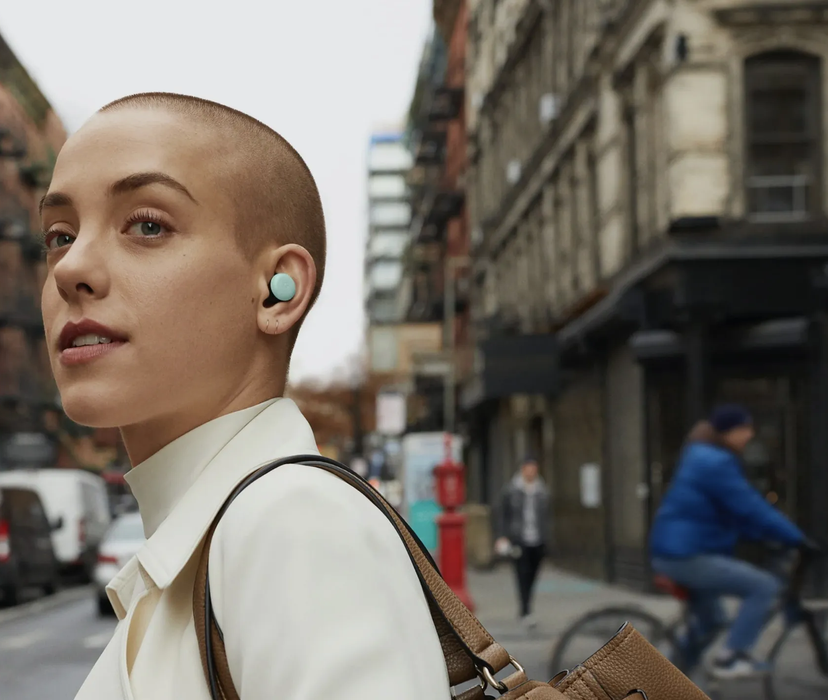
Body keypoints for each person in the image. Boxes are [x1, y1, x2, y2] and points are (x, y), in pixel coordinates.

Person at [45, 93, 451, 699]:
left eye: (147, 225)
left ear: (276, 292)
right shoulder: (206, 543)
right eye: (58, 234)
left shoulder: (291, 520)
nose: (69, 267)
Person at [650, 405, 810, 678]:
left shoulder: (703, 456)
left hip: (677, 550)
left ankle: (664, 680)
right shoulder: (715, 462)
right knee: (764, 586)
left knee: (713, 621)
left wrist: (764, 535)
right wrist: (796, 537)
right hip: (687, 555)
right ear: (729, 431)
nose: (750, 434)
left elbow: (734, 514)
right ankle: (730, 657)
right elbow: (750, 506)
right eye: (744, 429)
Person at [496, 456, 550, 630]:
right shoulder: (511, 490)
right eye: (528, 468)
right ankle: (526, 610)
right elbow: (502, 514)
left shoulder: (542, 490)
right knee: (522, 574)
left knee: (533, 575)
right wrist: (502, 536)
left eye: (534, 468)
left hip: (538, 539)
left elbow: (547, 517)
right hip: (519, 539)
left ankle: (526, 607)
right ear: (522, 469)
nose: (531, 471)